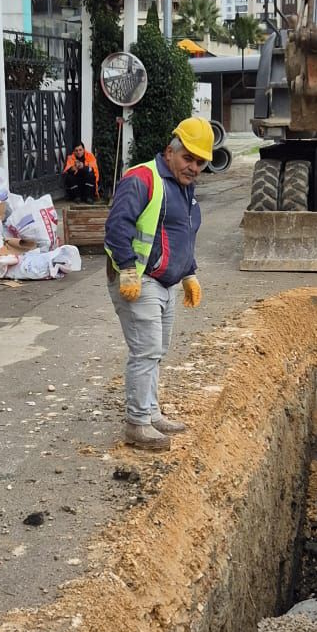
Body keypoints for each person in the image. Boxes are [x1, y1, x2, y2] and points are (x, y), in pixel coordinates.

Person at [104, 116, 211, 451]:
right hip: (139, 279)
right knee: (145, 350)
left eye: (200, 162)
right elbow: (116, 227)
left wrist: (189, 274)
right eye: (187, 158)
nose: (193, 167)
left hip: (165, 283)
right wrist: (127, 269)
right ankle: (137, 424)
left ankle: (150, 412)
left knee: (157, 351)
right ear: (170, 152)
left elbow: (182, 236)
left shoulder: (184, 189)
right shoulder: (142, 179)